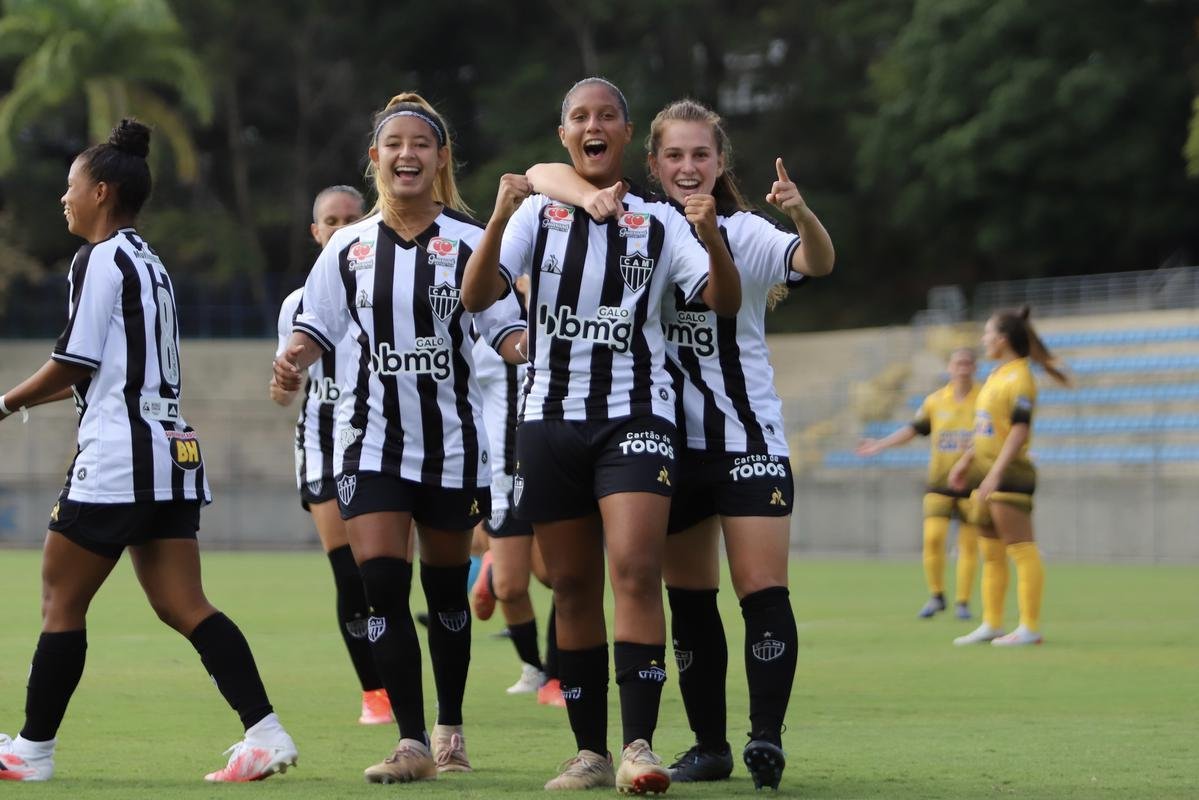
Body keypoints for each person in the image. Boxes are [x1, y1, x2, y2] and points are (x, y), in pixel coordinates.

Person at [462, 78, 742, 794]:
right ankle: (587, 752)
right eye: (580, 116)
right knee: (576, 587)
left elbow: (720, 302)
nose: (594, 125)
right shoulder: (538, 215)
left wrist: (711, 240)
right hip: (549, 421)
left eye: (607, 115)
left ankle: (638, 746)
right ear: (565, 135)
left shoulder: (658, 219)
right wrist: (497, 218)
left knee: (634, 569)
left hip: (636, 416)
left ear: (624, 135)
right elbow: (476, 296)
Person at [0, 120, 297, 783]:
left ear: (101, 191)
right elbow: (98, 366)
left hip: (119, 456)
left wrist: (5, 403)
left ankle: (32, 751)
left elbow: (73, 362)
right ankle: (266, 733)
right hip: (175, 449)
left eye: (70, 187)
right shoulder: (148, 259)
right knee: (183, 605)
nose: (63, 199)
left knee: (60, 601)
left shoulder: (98, 259)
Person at [272, 93, 525, 783]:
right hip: (370, 443)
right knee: (379, 586)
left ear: (440, 160)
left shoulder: (474, 242)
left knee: (445, 595)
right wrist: (293, 354)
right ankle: (410, 742)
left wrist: (528, 346)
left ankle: (449, 729)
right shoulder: (349, 248)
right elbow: (314, 325)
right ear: (375, 159)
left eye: (421, 144)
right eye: (394, 145)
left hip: (452, 446)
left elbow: (505, 330)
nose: (406, 154)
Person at [621, 98, 832, 789]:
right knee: (688, 598)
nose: (687, 167)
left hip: (747, 437)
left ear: (720, 163)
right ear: (653, 165)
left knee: (762, 590)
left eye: (700, 155)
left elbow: (817, 262)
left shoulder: (747, 230)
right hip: (662, 445)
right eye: (674, 156)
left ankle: (764, 740)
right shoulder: (636, 228)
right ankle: (708, 747)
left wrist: (798, 210)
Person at [270, 185, 395, 726]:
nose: (341, 228)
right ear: (316, 232)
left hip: (378, 440)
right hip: (322, 444)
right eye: (330, 220)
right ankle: (375, 693)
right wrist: (282, 383)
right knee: (349, 575)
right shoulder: (297, 305)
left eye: (351, 218)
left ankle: (404, 677)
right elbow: (284, 386)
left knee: (385, 574)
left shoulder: (386, 287)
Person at [949, 307, 1069, 646]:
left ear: (1002, 339)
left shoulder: (1020, 377)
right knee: (991, 551)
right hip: (985, 474)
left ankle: (1029, 627)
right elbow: (988, 428)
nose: (984, 339)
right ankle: (992, 623)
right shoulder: (997, 375)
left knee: (1021, 549)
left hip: (1008, 476)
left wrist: (995, 474)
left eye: (988, 334)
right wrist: (966, 461)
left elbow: (1018, 432)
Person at [468, 316, 562, 704]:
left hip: (544, 466)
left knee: (558, 578)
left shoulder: (548, 313)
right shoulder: (481, 327)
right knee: (509, 587)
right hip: (502, 478)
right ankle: (535, 668)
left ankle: (559, 676)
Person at [857, 348, 981, 620]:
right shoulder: (935, 401)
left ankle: (963, 602)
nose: (962, 368)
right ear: (949, 367)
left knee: (968, 545)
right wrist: (881, 444)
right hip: (939, 481)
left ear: (974, 368)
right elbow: (914, 429)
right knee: (933, 538)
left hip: (973, 482)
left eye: (967, 363)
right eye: (957, 363)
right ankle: (937, 596)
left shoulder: (984, 400)